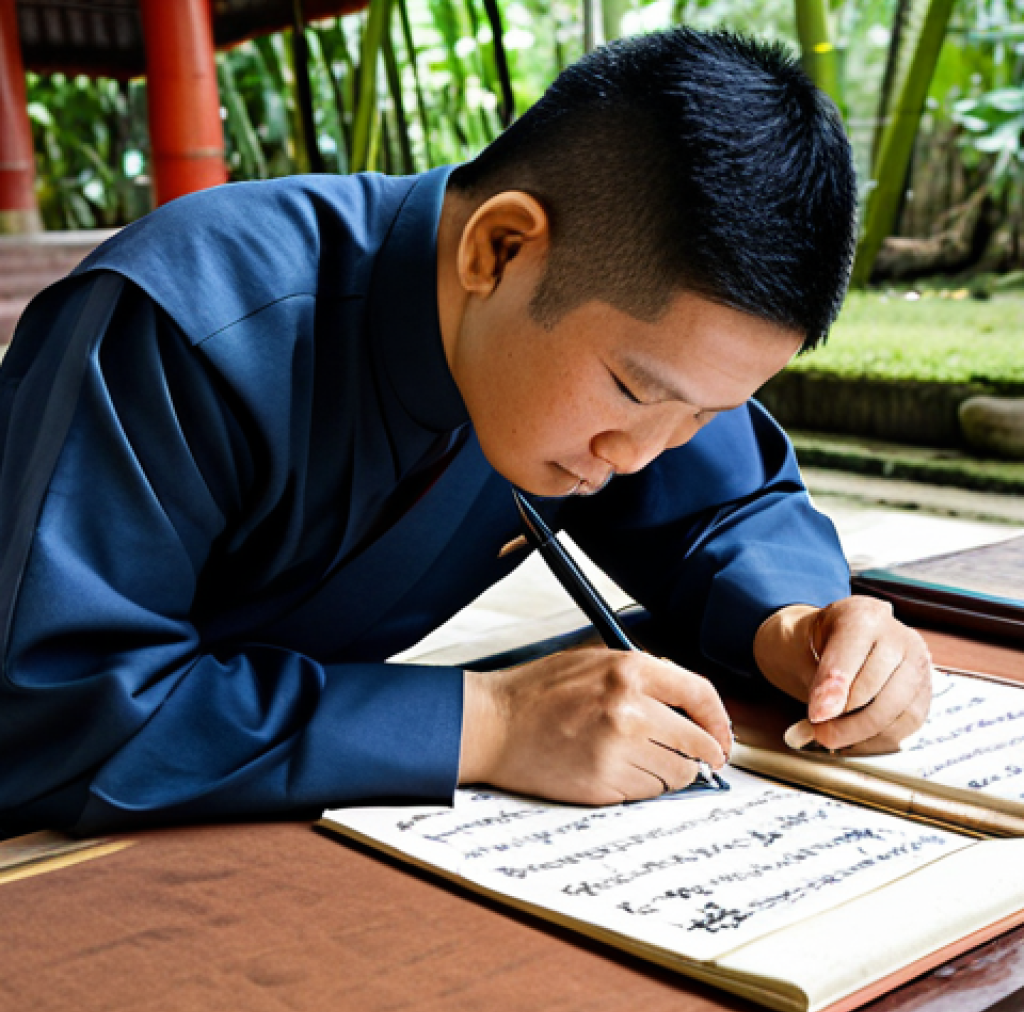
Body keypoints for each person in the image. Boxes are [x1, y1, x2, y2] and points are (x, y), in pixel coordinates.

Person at [0, 28, 931, 837]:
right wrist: (485, 722)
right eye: (632, 390)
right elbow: (46, 708)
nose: (643, 453)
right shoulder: (188, 325)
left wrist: (797, 625)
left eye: (703, 413)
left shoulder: (597, 369)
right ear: (499, 248)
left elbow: (728, 508)